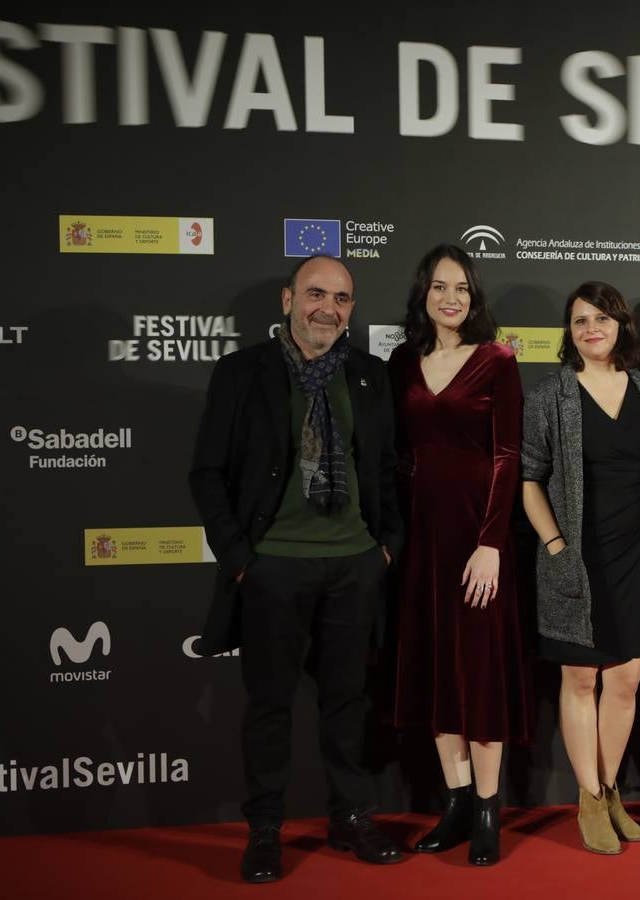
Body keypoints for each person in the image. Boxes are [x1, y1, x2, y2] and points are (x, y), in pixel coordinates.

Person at [189, 255, 405, 883]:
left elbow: (388, 466)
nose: (328, 309)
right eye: (315, 294)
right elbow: (207, 473)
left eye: (341, 299)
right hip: (272, 568)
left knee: (348, 702)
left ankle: (352, 817)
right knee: (270, 706)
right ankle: (264, 830)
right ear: (287, 299)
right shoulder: (241, 373)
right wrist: (239, 562)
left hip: (353, 566)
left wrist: (385, 546)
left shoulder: (369, 375)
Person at [389, 244, 531, 866]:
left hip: (479, 543)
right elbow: (397, 455)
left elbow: (508, 456)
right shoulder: (402, 361)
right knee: (436, 669)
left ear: (474, 300)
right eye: (441, 286)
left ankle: (487, 810)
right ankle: (453, 801)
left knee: (479, 671)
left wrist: (492, 545)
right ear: (424, 292)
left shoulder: (498, 362)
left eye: (463, 289)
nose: (452, 298)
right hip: (423, 541)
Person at [520, 281, 640, 855]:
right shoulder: (550, 395)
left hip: (639, 558)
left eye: (602, 319)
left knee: (627, 679)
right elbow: (529, 479)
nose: (592, 329)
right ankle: (588, 796)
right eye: (580, 320)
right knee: (580, 678)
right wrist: (557, 546)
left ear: (621, 327)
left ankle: (610, 791)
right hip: (577, 559)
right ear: (570, 331)